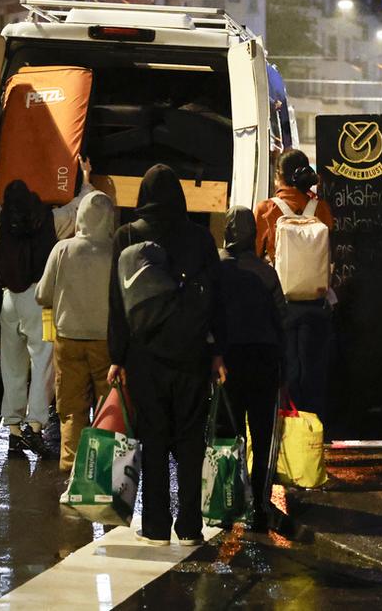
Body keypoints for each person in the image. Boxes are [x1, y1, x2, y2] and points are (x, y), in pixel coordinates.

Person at [106, 164, 223, 546]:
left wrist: (117, 357)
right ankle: (190, 526)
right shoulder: (201, 239)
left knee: (153, 438)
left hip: (144, 357)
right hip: (192, 355)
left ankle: (155, 525)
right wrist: (218, 353)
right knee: (191, 440)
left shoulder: (126, 236)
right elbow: (218, 299)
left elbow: (117, 302)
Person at [0, 158, 94, 460]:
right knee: (44, 363)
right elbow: (79, 208)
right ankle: (36, 426)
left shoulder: (2, 221)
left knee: (12, 365)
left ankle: (15, 432)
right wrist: (84, 178)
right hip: (39, 302)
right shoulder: (49, 220)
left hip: (10, 302)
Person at [217, 206, 289, 533]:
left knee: (229, 434)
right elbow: (281, 320)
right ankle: (259, 506)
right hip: (263, 360)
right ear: (254, 236)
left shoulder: (216, 271)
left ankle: (228, 503)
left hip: (227, 363)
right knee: (261, 436)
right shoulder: (267, 273)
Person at [35, 189, 117, 473]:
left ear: (80, 217)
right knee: (107, 410)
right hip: (106, 342)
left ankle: (71, 473)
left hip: (67, 339)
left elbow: (43, 294)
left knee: (71, 410)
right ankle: (101, 478)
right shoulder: (115, 252)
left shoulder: (62, 250)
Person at [254, 149, 334, 415]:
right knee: (314, 371)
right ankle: (314, 432)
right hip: (317, 303)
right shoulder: (320, 208)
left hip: (281, 306)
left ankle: (289, 430)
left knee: (286, 372)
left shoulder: (267, 210)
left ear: (279, 176)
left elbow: (255, 255)